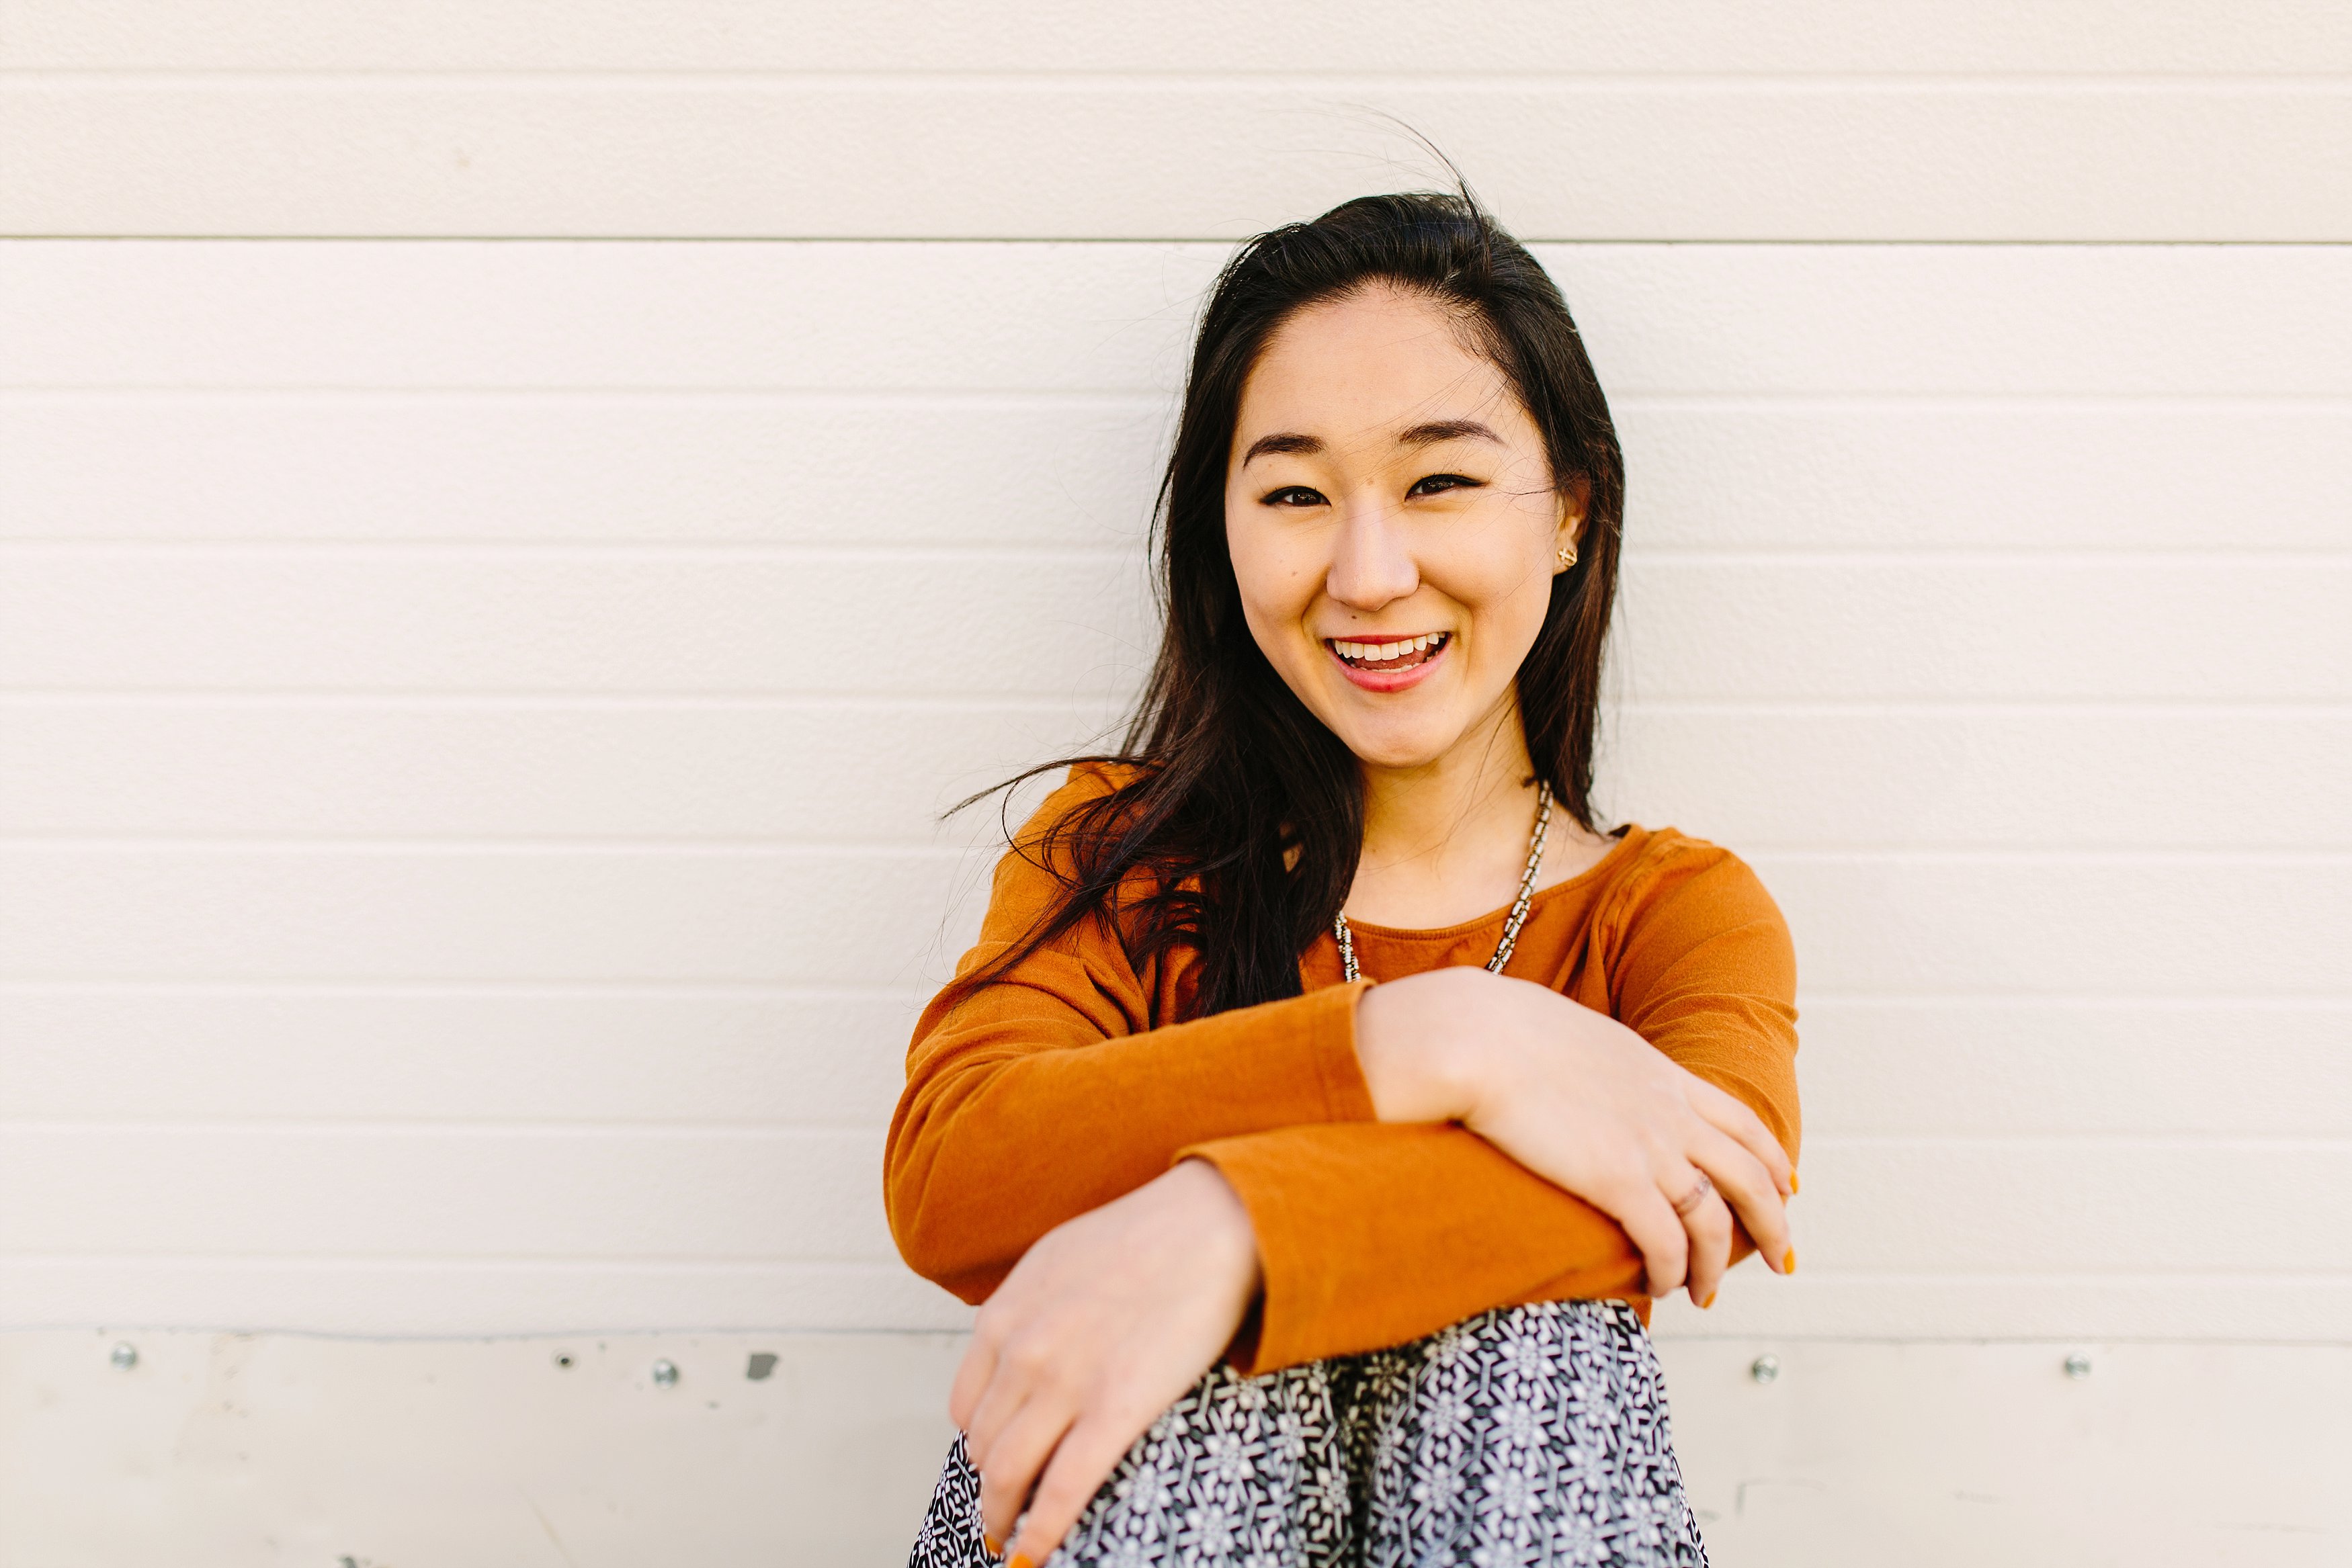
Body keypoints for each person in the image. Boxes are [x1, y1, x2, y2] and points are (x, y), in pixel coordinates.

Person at [886, 189, 1800, 1568]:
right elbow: (951, 1176)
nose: (1369, 575)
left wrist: (1224, 1227)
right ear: (1225, 530)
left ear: (1567, 512)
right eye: (1297, 494)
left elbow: (1708, 1196)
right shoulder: (1120, 857)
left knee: (1530, 1340)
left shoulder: (1668, 917)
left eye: (1438, 481)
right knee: (1186, 1384)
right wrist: (1437, 1035)